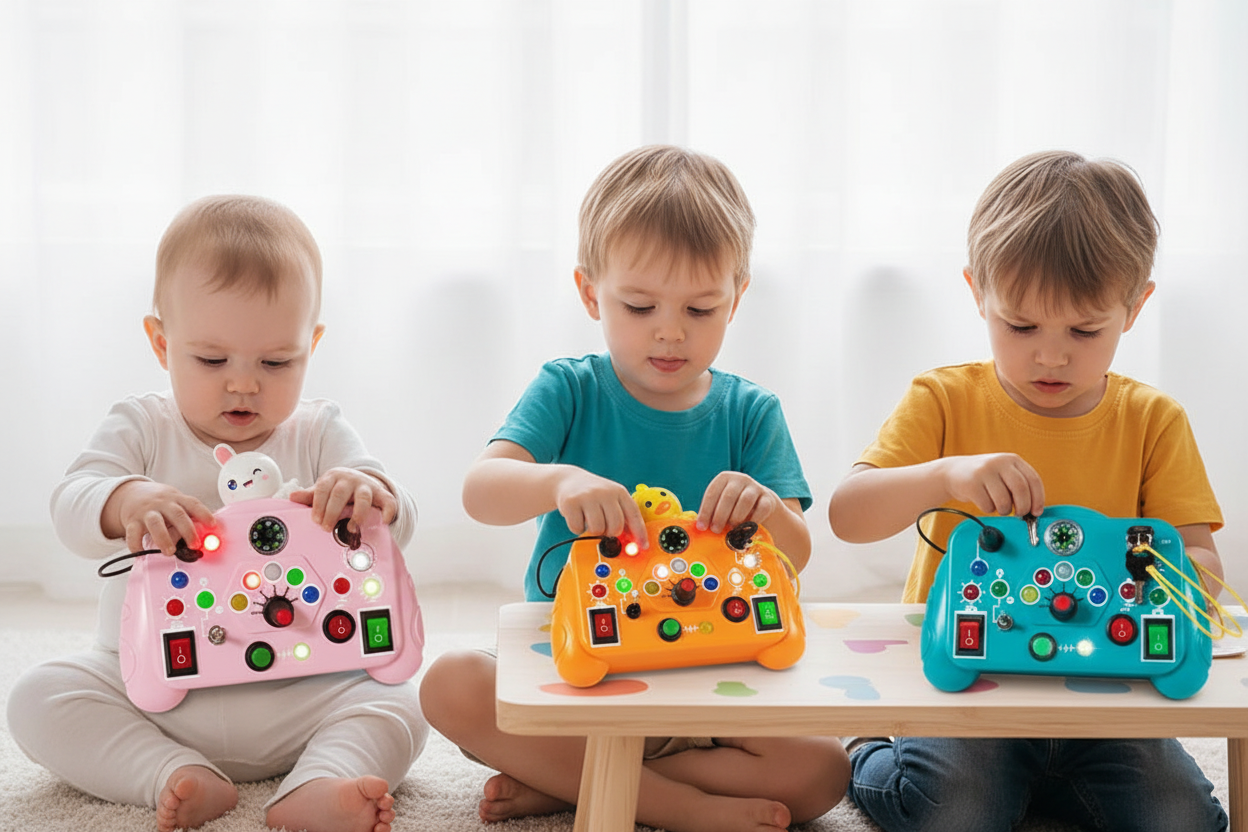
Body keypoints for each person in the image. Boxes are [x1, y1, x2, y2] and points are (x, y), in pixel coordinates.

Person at [419, 145, 849, 832]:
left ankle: (576, 787)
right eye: (641, 305)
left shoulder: (750, 410)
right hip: (579, 676)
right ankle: (672, 806)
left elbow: (796, 551)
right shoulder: (569, 387)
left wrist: (766, 508)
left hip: (708, 680)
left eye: (701, 309)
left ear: (737, 299)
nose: (670, 331)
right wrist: (559, 479)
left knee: (826, 769)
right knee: (448, 686)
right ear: (591, 292)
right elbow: (481, 489)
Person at [827, 150, 1228, 831]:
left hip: (1107, 692)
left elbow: (1205, 565)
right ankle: (869, 751)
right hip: (970, 683)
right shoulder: (944, 398)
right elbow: (847, 516)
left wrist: (1171, 574)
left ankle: (1035, 789)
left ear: (1135, 307)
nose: (1050, 354)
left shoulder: (1152, 420)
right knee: (954, 814)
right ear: (977, 292)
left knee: (1182, 819)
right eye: (1021, 326)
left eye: (1083, 329)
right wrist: (943, 477)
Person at [6, 195, 427, 832]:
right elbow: (72, 502)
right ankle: (169, 772)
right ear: (160, 342)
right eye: (211, 360)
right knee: (37, 697)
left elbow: (401, 516)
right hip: (155, 690)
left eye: (277, 362)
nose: (243, 384)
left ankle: (321, 781)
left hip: (304, 686)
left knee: (407, 698)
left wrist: (367, 492)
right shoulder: (142, 425)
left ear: (311, 346)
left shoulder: (318, 431)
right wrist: (126, 499)